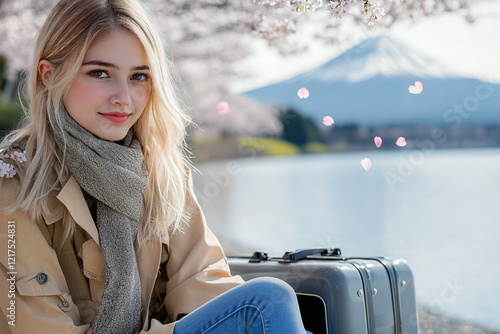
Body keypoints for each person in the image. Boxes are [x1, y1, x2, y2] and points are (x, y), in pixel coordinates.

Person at [0, 0, 310, 333]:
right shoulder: (12, 184)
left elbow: (202, 284)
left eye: (139, 77)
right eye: (99, 73)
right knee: (266, 301)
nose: (124, 97)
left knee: (266, 305)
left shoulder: (163, 173)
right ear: (49, 76)